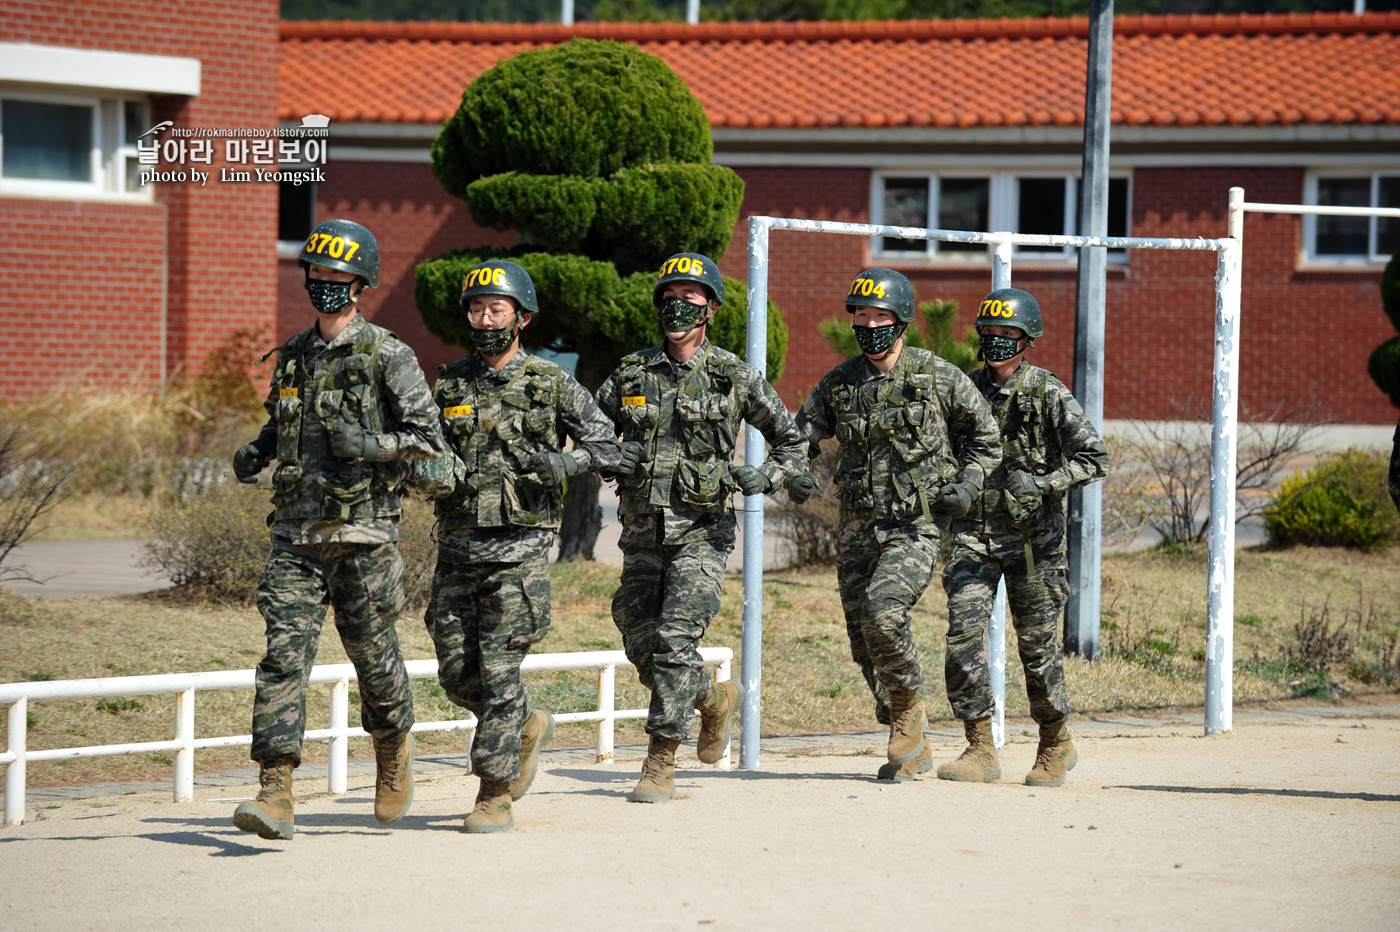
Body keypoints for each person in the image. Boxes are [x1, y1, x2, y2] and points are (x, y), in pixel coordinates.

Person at [229, 219, 445, 839]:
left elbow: (427, 440)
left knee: (372, 657)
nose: (324, 285)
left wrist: (370, 444)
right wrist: (259, 449)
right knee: (281, 659)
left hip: (365, 535)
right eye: (317, 275)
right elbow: (284, 423)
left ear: (362, 283)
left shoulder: (388, 354)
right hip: (295, 536)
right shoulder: (294, 353)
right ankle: (275, 790)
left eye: (337, 277)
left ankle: (392, 748)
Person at [409, 260, 619, 833]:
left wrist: (565, 461)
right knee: (456, 673)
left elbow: (607, 444)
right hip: (456, 546)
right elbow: (424, 446)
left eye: (494, 309)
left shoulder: (550, 382)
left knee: (500, 671)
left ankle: (493, 791)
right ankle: (527, 724)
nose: (483, 319)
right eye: (475, 309)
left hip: (520, 549)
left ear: (521, 318)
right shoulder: (449, 382)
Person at [596, 252, 807, 803]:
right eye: (669, 297)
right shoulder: (631, 372)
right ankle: (712, 702)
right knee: (636, 633)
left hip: (703, 532)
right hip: (642, 532)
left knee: (673, 640)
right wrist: (604, 456)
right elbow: (592, 430)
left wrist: (767, 475)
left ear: (710, 308)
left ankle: (659, 760)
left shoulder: (734, 375)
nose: (678, 306)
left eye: (690, 298)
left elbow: (792, 438)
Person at [792, 268, 1001, 782]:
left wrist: (970, 482)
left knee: (883, 613)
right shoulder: (840, 383)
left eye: (879, 316)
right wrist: (793, 469)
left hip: (915, 524)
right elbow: (800, 435)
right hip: (858, 527)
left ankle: (908, 708)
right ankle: (913, 745)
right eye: (861, 316)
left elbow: (987, 439)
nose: (869, 325)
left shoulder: (938, 376)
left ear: (901, 320)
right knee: (862, 641)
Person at [938, 288, 1108, 788]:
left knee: (1036, 648)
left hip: (1035, 544)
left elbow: (1094, 458)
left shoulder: (1048, 393)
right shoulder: (965, 390)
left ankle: (1055, 741)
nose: (996, 342)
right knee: (962, 637)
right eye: (989, 333)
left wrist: (1045, 483)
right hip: (974, 539)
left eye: (1007, 334)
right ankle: (979, 746)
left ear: (1027, 338)